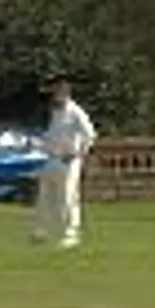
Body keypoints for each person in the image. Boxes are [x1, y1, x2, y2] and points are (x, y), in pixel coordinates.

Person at [34, 75, 96, 249]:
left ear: (65, 93)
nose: (54, 95)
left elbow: (90, 135)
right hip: (52, 159)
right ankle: (42, 231)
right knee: (45, 195)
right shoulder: (55, 112)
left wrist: (78, 153)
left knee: (67, 197)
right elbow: (53, 134)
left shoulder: (76, 112)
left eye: (57, 91)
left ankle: (71, 234)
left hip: (69, 161)